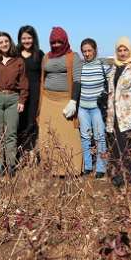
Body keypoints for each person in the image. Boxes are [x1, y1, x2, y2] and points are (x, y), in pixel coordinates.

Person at [38, 26, 83, 176]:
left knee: (69, 134)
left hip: (65, 100)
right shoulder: (46, 57)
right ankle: (50, 167)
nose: (56, 44)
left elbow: (77, 80)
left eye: (59, 41)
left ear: (65, 41)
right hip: (48, 100)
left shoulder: (73, 56)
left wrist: (73, 101)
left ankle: (71, 168)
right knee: (47, 132)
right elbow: (43, 79)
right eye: (53, 42)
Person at [0, 32, 28, 176]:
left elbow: (23, 82)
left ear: (10, 42)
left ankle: (11, 164)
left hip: (13, 98)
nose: (4, 44)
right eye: (1, 42)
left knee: (11, 133)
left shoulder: (18, 61)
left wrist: (22, 100)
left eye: (6, 41)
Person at [106, 37, 131, 188]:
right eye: (119, 50)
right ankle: (119, 173)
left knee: (127, 145)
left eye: (125, 50)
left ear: (130, 50)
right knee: (116, 144)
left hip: (129, 113)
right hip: (114, 112)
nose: (122, 53)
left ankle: (128, 176)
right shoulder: (114, 67)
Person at [78, 38, 111, 179]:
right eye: (84, 51)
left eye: (89, 50)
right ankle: (87, 166)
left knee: (100, 137)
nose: (86, 54)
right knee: (85, 137)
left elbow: (113, 83)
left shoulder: (103, 66)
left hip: (97, 108)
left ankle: (101, 167)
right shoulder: (79, 67)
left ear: (95, 50)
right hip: (82, 108)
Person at [16, 26, 44, 156]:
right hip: (19, 93)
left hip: (35, 93)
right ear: (19, 39)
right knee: (19, 121)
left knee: (32, 122)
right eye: (24, 38)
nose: (26, 41)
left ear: (34, 38)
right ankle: (19, 152)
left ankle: (31, 152)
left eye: (29, 38)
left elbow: (45, 75)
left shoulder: (40, 54)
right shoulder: (15, 53)